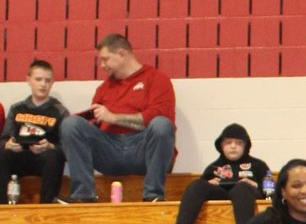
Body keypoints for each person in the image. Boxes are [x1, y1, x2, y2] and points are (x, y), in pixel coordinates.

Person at [59, 34, 176, 204]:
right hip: (110, 151)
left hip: (142, 150)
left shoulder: (157, 79)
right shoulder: (104, 88)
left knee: (161, 124)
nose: (102, 65)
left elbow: (155, 117)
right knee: (71, 124)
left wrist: (113, 117)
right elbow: (92, 127)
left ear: (122, 54)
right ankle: (83, 195)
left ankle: (153, 195)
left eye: (106, 59)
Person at [174, 122, 268, 224]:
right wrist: (209, 183)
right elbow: (198, 190)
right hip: (220, 193)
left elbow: (273, 191)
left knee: (242, 188)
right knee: (196, 184)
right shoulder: (213, 168)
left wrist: (256, 185)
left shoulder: (259, 166)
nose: (233, 146)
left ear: (246, 146)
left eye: (239, 143)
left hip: (245, 194)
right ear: (221, 145)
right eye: (228, 142)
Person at [0, 58, 69, 203]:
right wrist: (8, 145)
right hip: (19, 156)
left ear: (52, 82)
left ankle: (47, 207)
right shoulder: (16, 109)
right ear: (28, 80)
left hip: (45, 160)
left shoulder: (60, 111)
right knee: (3, 154)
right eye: (38, 79)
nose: (43, 84)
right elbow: (3, 139)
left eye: (47, 80)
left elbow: (68, 149)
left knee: (53, 156)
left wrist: (50, 146)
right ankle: (2, 207)